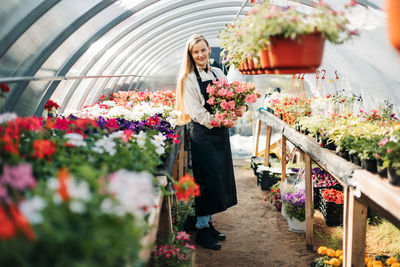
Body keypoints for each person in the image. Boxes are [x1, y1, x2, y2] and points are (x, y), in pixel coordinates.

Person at [175, 34, 247, 250]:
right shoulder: (188, 79)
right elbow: (196, 112)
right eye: (195, 52)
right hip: (203, 135)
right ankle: (203, 231)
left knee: (217, 179)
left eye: (203, 50)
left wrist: (240, 108)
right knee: (206, 181)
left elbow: (231, 97)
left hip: (219, 133)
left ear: (208, 50)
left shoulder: (217, 72)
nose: (200, 55)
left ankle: (208, 224)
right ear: (190, 55)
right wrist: (219, 121)